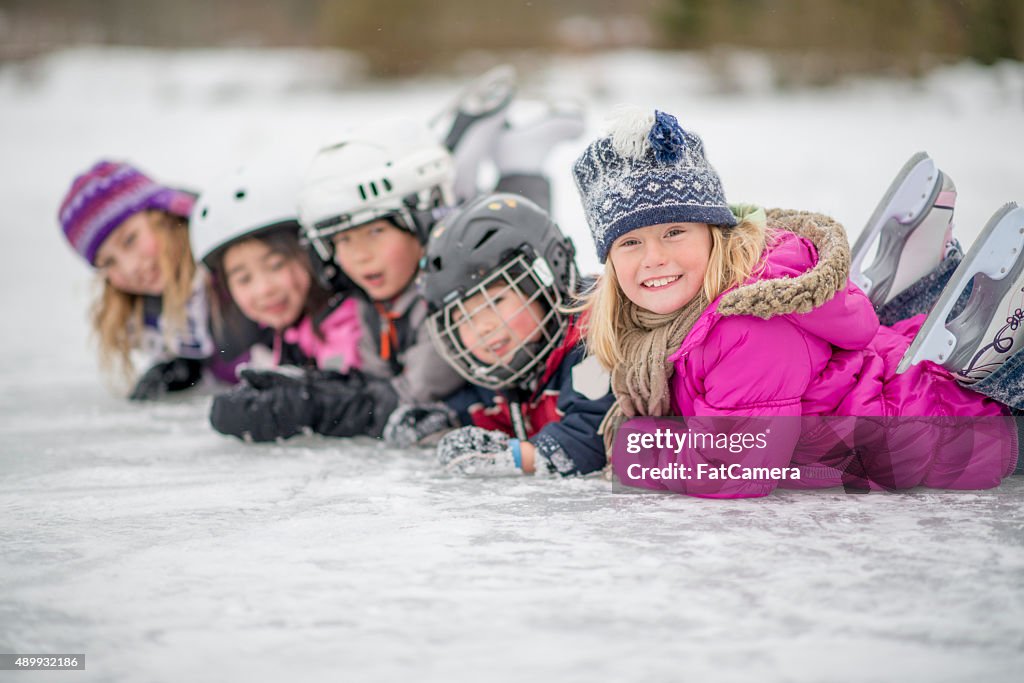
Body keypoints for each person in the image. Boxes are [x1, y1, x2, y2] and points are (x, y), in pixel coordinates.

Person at [572, 108, 1019, 497]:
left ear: (715, 233)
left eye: (674, 232)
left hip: (951, 433)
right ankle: (920, 297)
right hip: (877, 409)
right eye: (630, 242)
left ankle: (975, 327)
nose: (654, 258)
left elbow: (737, 470)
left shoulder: (745, 327)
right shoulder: (659, 324)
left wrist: (639, 451)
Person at [382, 193, 614, 477]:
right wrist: (442, 418)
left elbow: (592, 439)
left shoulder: (592, 342)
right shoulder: (504, 367)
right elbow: (479, 407)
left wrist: (513, 457)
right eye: (461, 318)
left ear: (546, 275)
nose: (482, 327)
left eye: (495, 302)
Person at [191, 156, 371, 443]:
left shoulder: (348, 319)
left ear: (310, 252)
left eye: (276, 265)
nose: (264, 289)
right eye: (243, 279)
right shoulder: (288, 330)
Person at [59, 160, 212, 400]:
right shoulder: (158, 320)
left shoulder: (235, 264)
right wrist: (187, 366)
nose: (130, 268)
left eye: (130, 239)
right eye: (108, 263)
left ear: (164, 215)